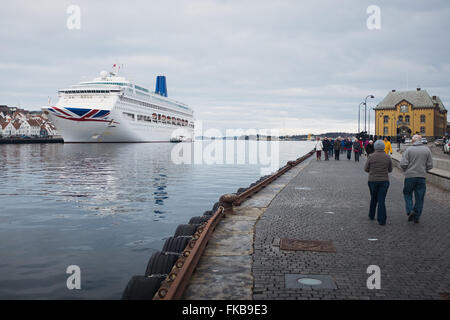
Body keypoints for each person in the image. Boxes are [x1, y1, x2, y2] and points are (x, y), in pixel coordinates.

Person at [400, 134, 433, 223]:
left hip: (410, 176)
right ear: (421, 140)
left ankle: (410, 210)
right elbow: (430, 165)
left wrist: (406, 170)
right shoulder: (427, 150)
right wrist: (423, 170)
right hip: (421, 177)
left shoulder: (409, 150)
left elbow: (403, 164)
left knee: (407, 193)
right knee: (420, 197)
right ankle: (416, 217)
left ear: (413, 141)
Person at [364, 140, 393, 225]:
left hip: (372, 180)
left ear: (375, 147)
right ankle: (382, 219)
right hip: (384, 180)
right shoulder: (387, 157)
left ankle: (371, 215)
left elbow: (366, 169)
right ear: (383, 147)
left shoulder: (371, 156)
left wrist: (372, 171)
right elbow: (390, 169)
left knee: (373, 197)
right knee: (381, 200)